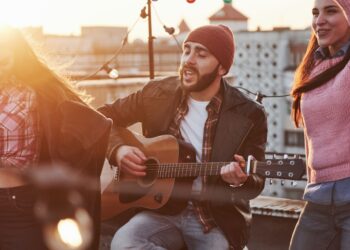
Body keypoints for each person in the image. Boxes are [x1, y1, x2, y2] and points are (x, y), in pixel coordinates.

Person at [99, 24, 267, 250]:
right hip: (160, 210)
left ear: (222, 69)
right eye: (187, 50)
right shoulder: (157, 93)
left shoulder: (249, 114)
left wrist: (240, 181)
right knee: (124, 243)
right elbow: (103, 117)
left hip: (213, 217)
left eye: (201, 54)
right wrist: (118, 149)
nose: (189, 59)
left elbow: (255, 182)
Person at [0, 26, 111, 250]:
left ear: (18, 59)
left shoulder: (27, 96)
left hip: (15, 205)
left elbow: (94, 125)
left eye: (3, 61)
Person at [289, 0, 350, 249]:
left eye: (331, 10)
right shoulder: (313, 67)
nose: (319, 20)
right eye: (315, 12)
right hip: (319, 197)